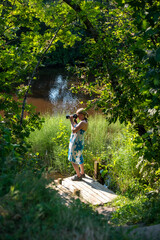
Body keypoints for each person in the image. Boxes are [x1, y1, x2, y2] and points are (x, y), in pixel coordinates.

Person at [68, 108, 88, 181]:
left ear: (82, 115)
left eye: (77, 114)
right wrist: (75, 121)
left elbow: (73, 130)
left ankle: (78, 176)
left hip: (76, 142)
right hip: (80, 142)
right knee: (79, 156)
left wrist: (71, 121)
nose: (76, 116)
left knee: (72, 159)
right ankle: (82, 173)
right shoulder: (85, 121)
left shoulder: (82, 123)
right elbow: (77, 127)